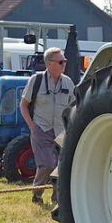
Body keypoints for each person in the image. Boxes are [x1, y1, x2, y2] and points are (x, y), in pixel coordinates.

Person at [19, 47, 75, 204]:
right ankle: (37, 193)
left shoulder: (68, 82)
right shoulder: (36, 80)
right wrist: (32, 126)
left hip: (61, 131)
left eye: (64, 61)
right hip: (41, 129)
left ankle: (57, 198)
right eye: (60, 61)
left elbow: (74, 107)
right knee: (47, 164)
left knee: (60, 165)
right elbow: (23, 105)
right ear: (49, 64)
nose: (64, 64)